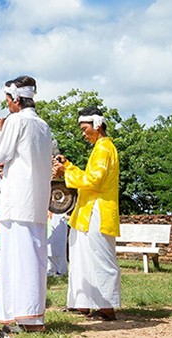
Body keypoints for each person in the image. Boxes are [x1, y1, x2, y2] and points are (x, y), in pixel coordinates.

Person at [0, 76, 54, 332]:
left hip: (18, 199)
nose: (7, 105)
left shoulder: (16, 121)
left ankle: (25, 318)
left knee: (18, 259)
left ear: (16, 99)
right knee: (33, 258)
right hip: (36, 200)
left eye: (7, 100)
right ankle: (29, 317)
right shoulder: (44, 125)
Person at [53, 107, 121, 321]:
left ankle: (107, 307)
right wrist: (69, 166)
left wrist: (67, 171)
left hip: (98, 211)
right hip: (86, 211)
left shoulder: (104, 148)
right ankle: (82, 303)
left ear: (97, 125)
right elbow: (88, 178)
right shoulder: (99, 148)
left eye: (85, 129)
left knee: (99, 259)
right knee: (80, 257)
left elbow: (94, 181)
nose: (83, 134)